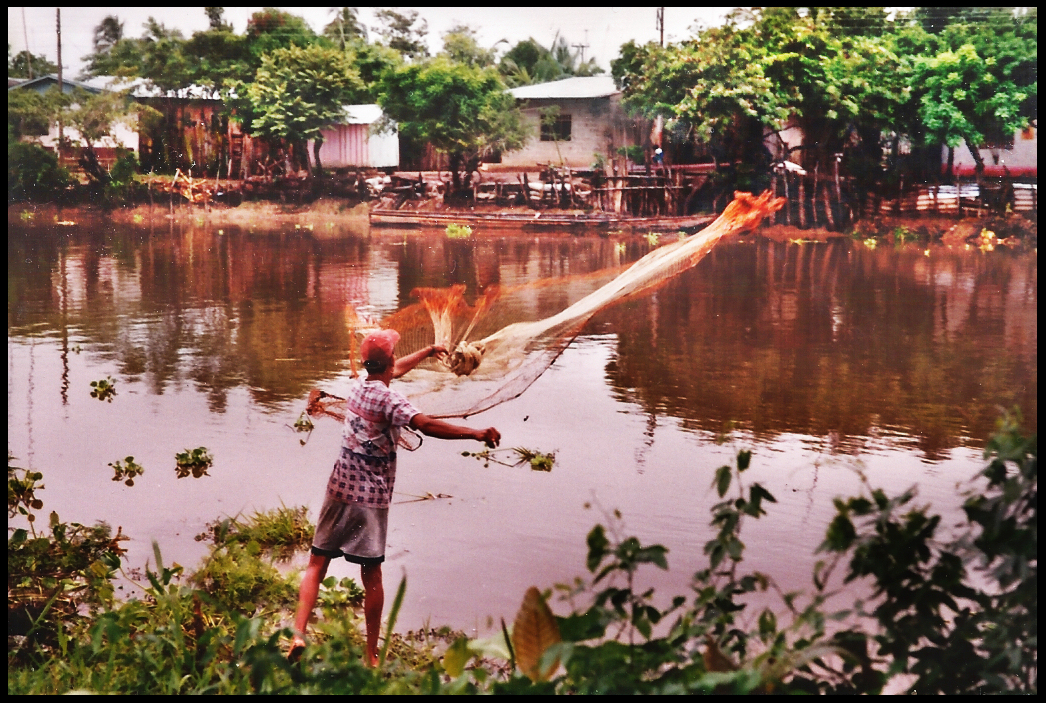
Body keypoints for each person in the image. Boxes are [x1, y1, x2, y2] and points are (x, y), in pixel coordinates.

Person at [289, 329, 501, 666]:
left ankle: (298, 633)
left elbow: (394, 369)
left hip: (339, 487)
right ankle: (372, 654)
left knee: (317, 564)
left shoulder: (358, 383)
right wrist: (476, 433)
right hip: (370, 497)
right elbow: (427, 425)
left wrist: (428, 350)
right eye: (393, 357)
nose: (395, 364)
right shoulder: (391, 401)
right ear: (386, 364)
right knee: (371, 574)